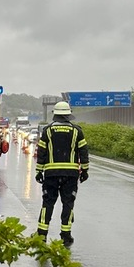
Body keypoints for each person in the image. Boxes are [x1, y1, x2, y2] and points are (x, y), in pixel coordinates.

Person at [34, 101, 89, 246]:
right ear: (68, 115)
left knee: (48, 203)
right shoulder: (77, 131)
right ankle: (66, 235)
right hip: (70, 175)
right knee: (68, 204)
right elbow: (83, 152)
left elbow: (41, 152)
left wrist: (39, 171)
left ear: (55, 115)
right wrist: (85, 170)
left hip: (51, 174)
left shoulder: (47, 130)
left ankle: (41, 235)